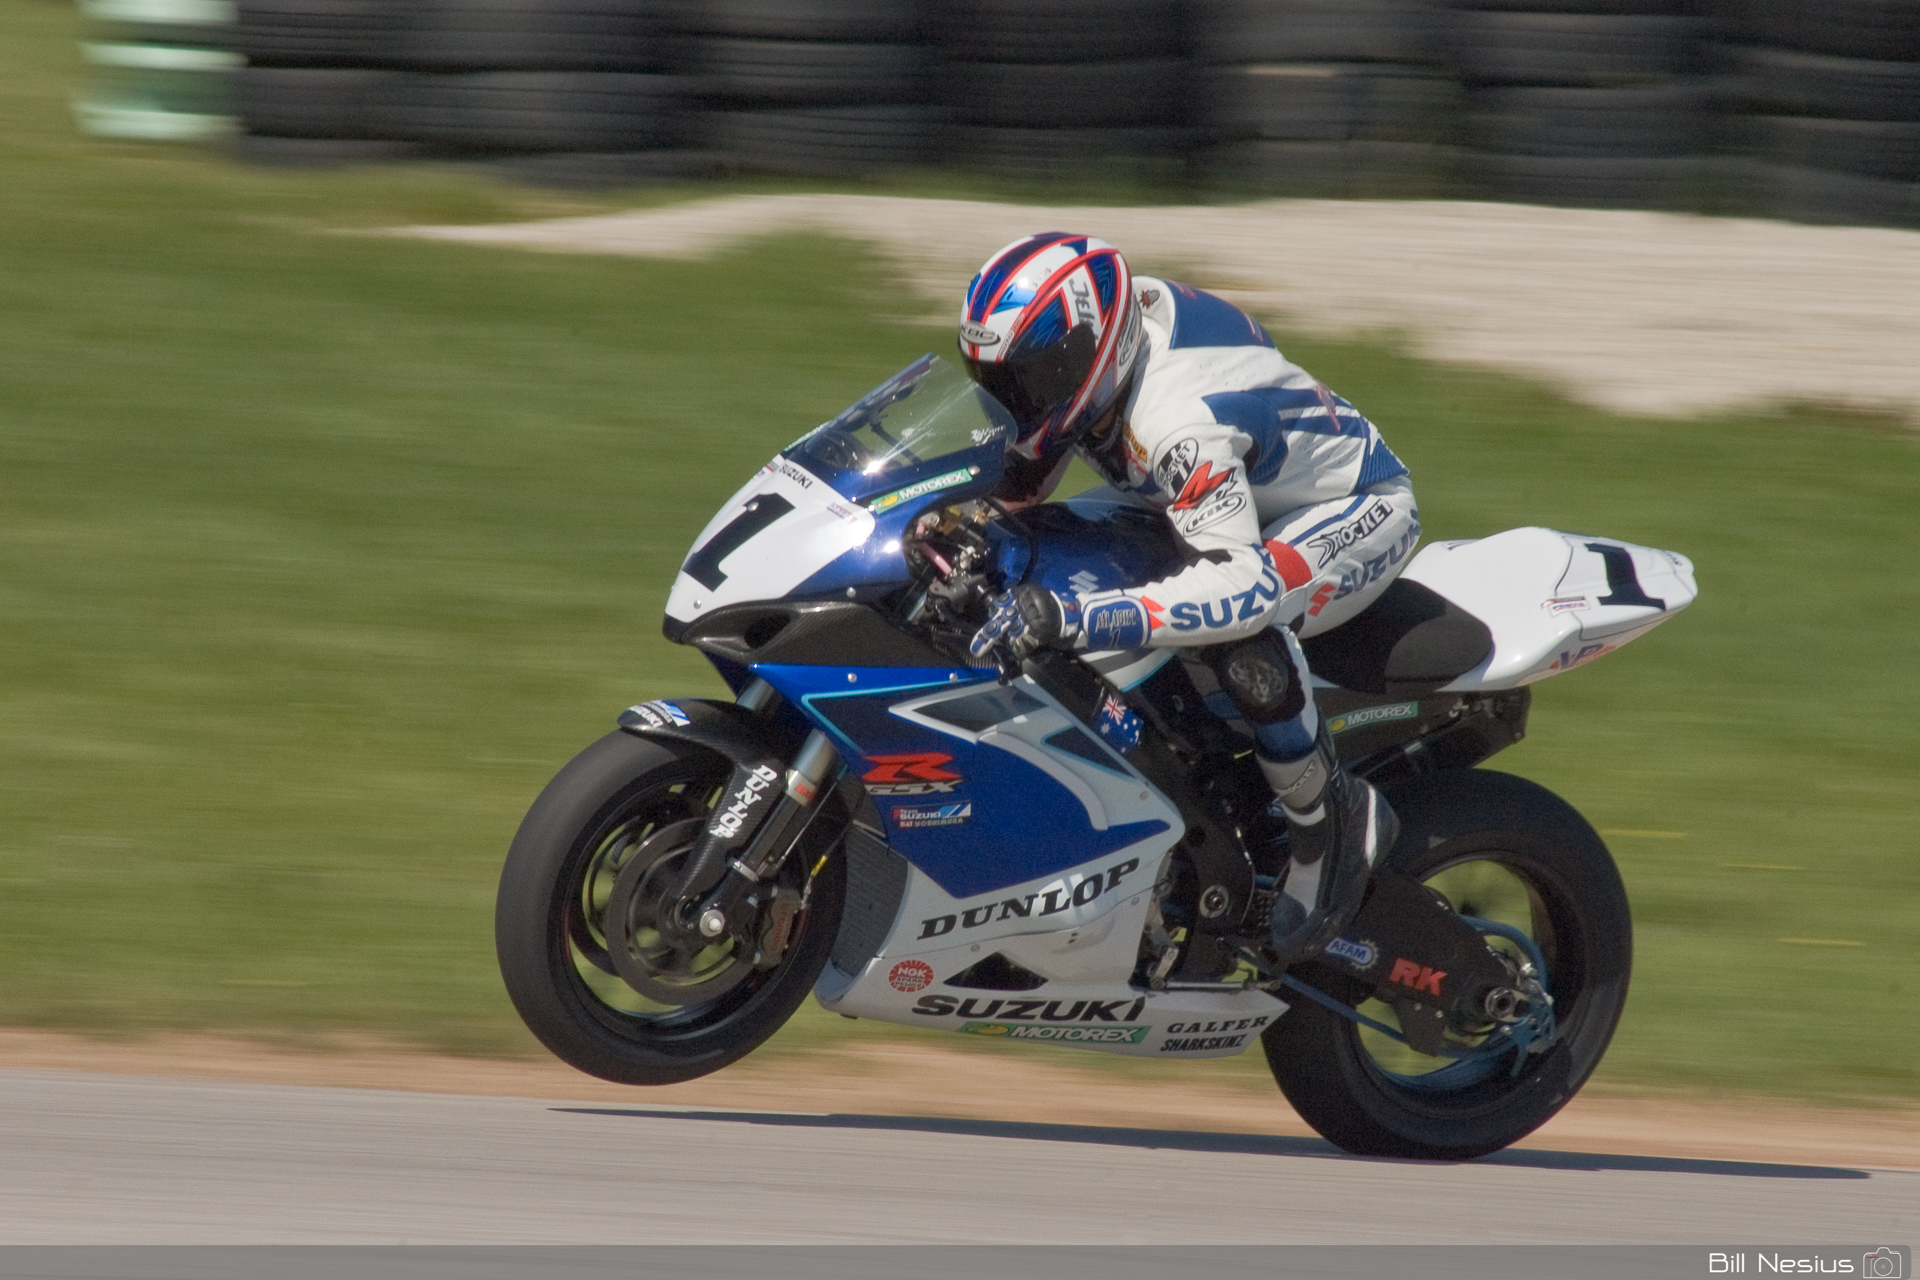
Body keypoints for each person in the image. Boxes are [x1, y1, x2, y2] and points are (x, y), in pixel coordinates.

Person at [960, 232, 1417, 967]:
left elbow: (1240, 587)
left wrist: (1078, 619)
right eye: (999, 380)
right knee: (1034, 550)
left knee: (1238, 634)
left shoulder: (1174, 425)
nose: (1019, 400)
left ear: (1088, 355)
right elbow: (1017, 488)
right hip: (1221, 493)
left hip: (1348, 507)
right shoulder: (1107, 355)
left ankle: (1327, 820)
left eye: (1033, 378)